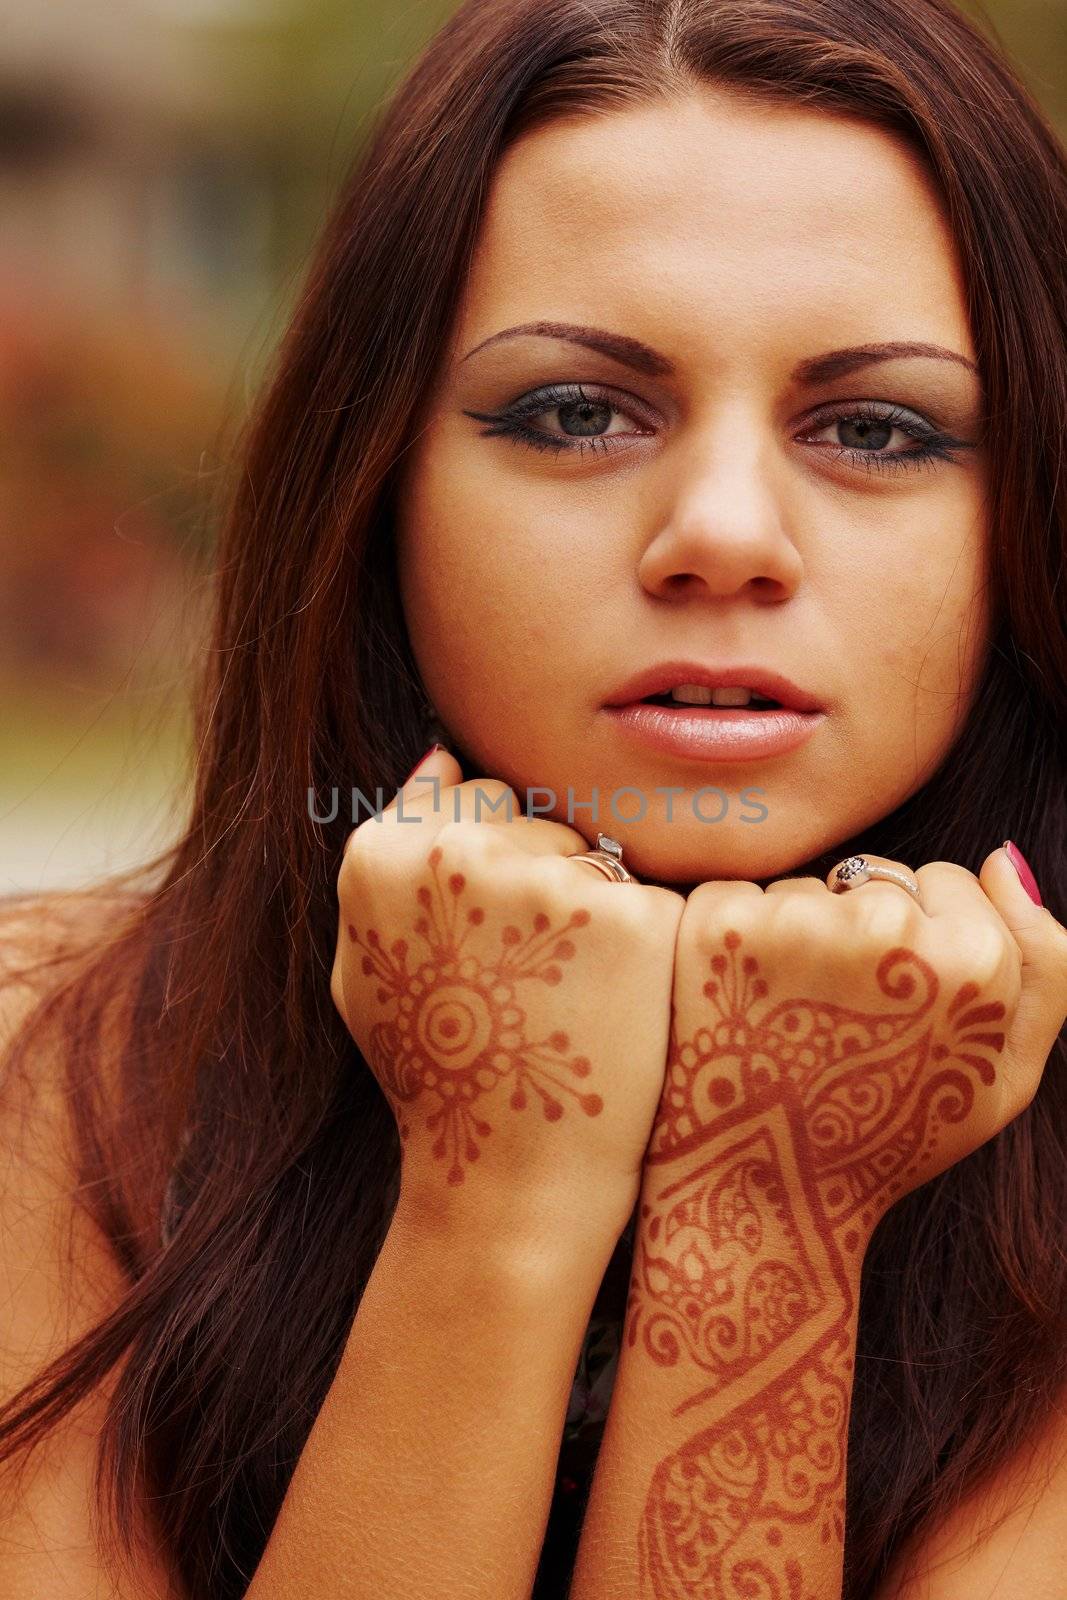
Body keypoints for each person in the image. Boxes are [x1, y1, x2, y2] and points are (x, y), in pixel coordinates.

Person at [1, 0, 1066, 1595]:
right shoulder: (47, 1059)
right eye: (576, 411)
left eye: (875, 427)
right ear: (375, 490)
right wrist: (495, 1196)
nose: (722, 532)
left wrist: (772, 1203)